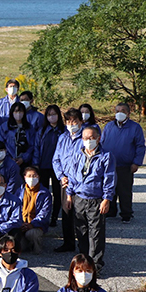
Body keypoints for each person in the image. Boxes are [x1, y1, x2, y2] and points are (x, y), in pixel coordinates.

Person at [65, 127, 115, 271]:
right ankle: (83, 262)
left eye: (92, 138)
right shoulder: (77, 155)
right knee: (81, 231)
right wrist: (69, 195)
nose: (89, 141)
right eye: (86, 138)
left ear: (98, 139)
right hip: (79, 198)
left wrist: (107, 199)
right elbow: (72, 176)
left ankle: (95, 266)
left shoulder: (106, 156)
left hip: (96, 199)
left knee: (96, 233)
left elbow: (109, 179)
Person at [101, 102, 145, 223]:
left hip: (126, 166)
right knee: (110, 189)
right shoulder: (109, 126)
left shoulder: (135, 127)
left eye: (123, 111)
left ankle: (126, 213)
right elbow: (102, 143)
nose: (120, 113)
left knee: (124, 191)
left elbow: (140, 146)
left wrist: (136, 163)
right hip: (109, 165)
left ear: (128, 113)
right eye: (118, 111)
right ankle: (111, 210)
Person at [52, 108, 84, 253]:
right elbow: (56, 159)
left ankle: (84, 244)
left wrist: (72, 179)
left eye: (75, 121)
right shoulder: (63, 137)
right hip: (64, 182)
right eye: (69, 121)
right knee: (66, 213)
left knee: (80, 214)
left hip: (80, 183)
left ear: (81, 122)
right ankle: (68, 243)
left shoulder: (85, 138)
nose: (72, 124)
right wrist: (61, 177)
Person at [39, 105, 64, 226]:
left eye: (54, 114)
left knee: (57, 193)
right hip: (44, 165)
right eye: (49, 115)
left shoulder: (64, 131)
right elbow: (36, 147)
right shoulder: (42, 130)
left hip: (58, 168)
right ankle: (44, 216)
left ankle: (54, 217)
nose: (52, 117)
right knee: (43, 192)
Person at [18, 167, 52, 253]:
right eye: (29, 176)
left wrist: (32, 224)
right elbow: (16, 209)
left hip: (36, 225)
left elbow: (44, 213)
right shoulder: (20, 191)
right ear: (24, 177)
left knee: (32, 234)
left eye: (34, 176)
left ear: (39, 177)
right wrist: (21, 223)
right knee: (19, 245)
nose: (32, 178)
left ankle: (37, 247)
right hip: (21, 224)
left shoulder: (45, 193)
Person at [0, 101, 37, 166]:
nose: (18, 113)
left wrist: (23, 158)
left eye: (21, 111)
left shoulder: (29, 127)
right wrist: (8, 158)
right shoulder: (4, 127)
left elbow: (32, 145)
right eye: (16, 111)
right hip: (8, 161)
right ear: (12, 113)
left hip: (25, 162)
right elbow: (0, 144)